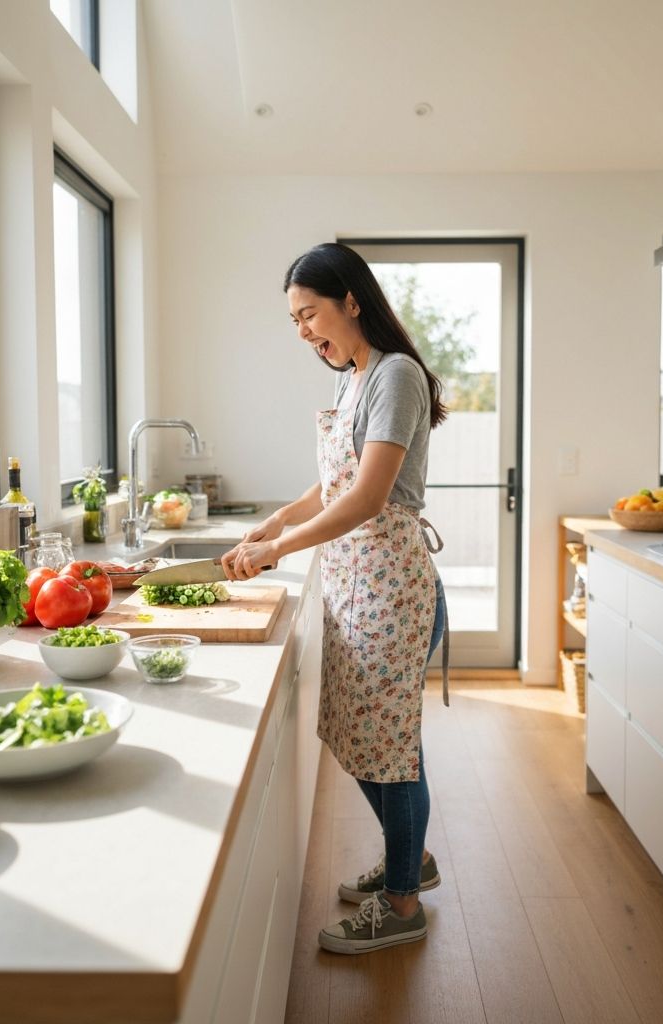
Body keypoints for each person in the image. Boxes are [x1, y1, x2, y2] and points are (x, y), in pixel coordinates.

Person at [221, 241, 448, 955]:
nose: (303, 333)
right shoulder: (354, 379)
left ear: (352, 300)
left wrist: (274, 551)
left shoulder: (397, 375)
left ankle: (404, 902)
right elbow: (336, 484)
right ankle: (410, 856)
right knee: (361, 738)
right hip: (357, 584)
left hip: (393, 587)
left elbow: (370, 497)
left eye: (310, 313)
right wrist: (277, 521)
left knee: (393, 749)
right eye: (293, 321)